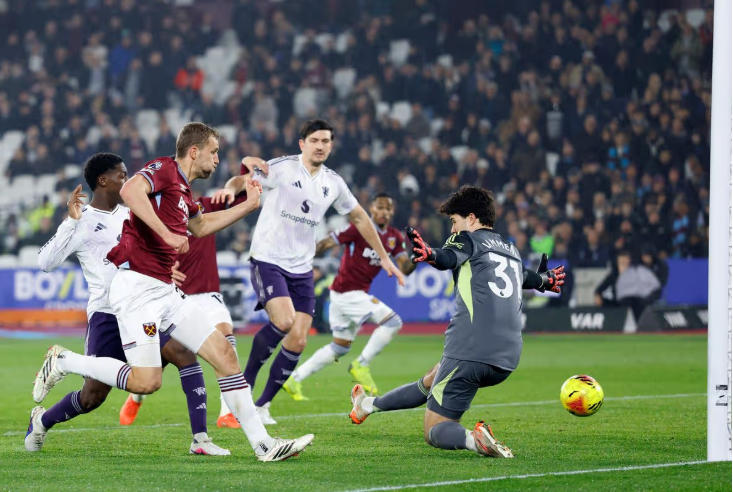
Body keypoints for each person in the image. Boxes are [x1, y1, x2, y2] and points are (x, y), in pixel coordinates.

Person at [31, 123, 313, 461]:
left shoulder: (183, 191)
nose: (217, 159)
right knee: (145, 383)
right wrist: (166, 234)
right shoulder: (165, 169)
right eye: (213, 152)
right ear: (194, 151)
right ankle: (65, 360)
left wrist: (248, 207)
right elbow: (131, 190)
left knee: (224, 354)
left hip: (165, 290)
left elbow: (201, 226)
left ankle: (263, 445)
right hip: (136, 291)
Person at [26, 153, 228, 455]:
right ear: (102, 180)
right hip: (107, 314)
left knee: (184, 353)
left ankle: (200, 440)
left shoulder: (134, 213)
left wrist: (164, 270)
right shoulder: (82, 221)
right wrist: (70, 222)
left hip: (143, 305)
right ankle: (42, 420)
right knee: (92, 397)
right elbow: (45, 262)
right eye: (121, 175)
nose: (128, 179)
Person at [348, 186, 565, 458]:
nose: (452, 229)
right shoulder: (510, 250)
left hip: (471, 350)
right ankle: (366, 405)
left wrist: (431, 254)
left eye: (454, 221)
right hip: (508, 358)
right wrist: (545, 280)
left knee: (434, 430)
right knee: (435, 376)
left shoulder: (468, 239)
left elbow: (448, 256)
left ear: (471, 218)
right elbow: (529, 278)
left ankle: (474, 440)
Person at [214, 119, 405, 424]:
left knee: (299, 340)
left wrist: (384, 257)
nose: (320, 146)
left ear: (331, 146)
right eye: (314, 140)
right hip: (268, 259)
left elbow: (360, 217)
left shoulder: (334, 182)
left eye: (325, 141)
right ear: (302, 144)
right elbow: (244, 179)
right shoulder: (282, 168)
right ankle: (239, 393)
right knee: (284, 321)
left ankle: (261, 406)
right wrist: (229, 188)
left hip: (302, 267)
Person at [119, 185, 250, 430]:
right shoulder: (155, 216)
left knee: (226, 341)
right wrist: (162, 268)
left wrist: (233, 186)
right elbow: (137, 252)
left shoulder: (205, 206)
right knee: (162, 359)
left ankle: (228, 412)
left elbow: (244, 189)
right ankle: (137, 396)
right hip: (173, 296)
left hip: (208, 295)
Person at [282, 192, 417, 399]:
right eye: (380, 207)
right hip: (347, 292)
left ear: (393, 212)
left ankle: (294, 379)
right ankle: (361, 365)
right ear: (371, 209)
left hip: (346, 295)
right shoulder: (358, 228)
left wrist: (417, 257)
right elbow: (327, 242)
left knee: (339, 347)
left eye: (388, 208)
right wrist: (302, 257)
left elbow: (405, 268)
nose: (384, 212)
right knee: (393, 322)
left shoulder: (394, 237)